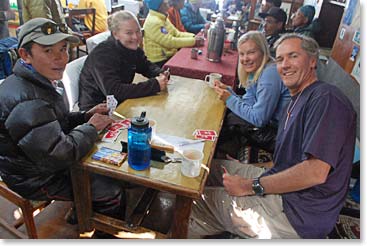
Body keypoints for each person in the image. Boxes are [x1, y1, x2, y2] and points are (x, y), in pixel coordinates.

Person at [188, 33, 356, 239]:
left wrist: (250, 186)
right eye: (280, 59)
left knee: (195, 200)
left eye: (293, 56)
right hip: (289, 193)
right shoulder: (297, 100)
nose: (284, 65)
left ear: (313, 61)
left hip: (298, 213)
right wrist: (255, 171)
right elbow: (288, 162)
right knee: (206, 169)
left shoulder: (326, 98)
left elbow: (315, 172)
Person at [0, 18, 127, 222]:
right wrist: (91, 128)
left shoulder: (38, 81)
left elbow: (54, 122)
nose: (60, 58)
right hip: (35, 177)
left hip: (40, 161)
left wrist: (85, 115)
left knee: (112, 164)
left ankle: (82, 211)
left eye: (64, 48)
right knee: (111, 190)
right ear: (25, 54)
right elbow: (58, 154)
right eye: (48, 50)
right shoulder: (27, 101)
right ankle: (97, 229)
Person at [214, 30, 290, 159]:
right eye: (242, 54)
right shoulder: (255, 70)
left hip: (281, 136)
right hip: (270, 125)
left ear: (263, 52)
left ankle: (213, 154)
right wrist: (229, 92)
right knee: (229, 115)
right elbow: (248, 104)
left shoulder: (270, 74)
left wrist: (230, 99)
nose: (245, 59)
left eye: (251, 52)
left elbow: (259, 119)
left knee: (230, 120)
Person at [79, 10, 169, 111]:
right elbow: (114, 91)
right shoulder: (102, 54)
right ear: (115, 34)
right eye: (129, 33)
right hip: (96, 112)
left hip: (121, 102)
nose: (135, 37)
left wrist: (161, 74)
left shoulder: (131, 49)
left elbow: (146, 66)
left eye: (138, 31)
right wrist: (154, 85)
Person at [143, 0, 201, 67]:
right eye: (164, 1)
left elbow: (177, 33)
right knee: (190, 64)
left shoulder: (163, 17)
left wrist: (194, 36)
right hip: (159, 61)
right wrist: (193, 41)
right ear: (159, 6)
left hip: (168, 55)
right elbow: (169, 42)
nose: (168, 2)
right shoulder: (154, 22)